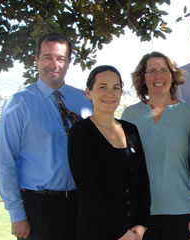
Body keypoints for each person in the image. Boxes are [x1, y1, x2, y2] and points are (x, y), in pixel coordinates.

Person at [0, 32, 92, 240]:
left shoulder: (84, 101)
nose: (53, 64)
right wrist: (16, 214)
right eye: (47, 57)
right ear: (36, 59)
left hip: (81, 206)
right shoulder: (18, 104)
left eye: (61, 58)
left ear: (68, 62)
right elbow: (4, 161)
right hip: (38, 208)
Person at [121, 52, 190, 240]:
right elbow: (125, 169)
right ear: (143, 77)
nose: (158, 76)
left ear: (173, 76)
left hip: (182, 211)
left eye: (163, 70)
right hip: (141, 213)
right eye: (151, 71)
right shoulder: (129, 115)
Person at [68, 65, 150, 240]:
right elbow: (88, 191)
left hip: (134, 232)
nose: (110, 93)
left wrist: (142, 224)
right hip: (97, 232)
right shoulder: (81, 132)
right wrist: (121, 232)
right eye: (102, 87)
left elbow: (142, 181)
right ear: (88, 92)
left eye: (116, 87)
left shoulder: (130, 130)